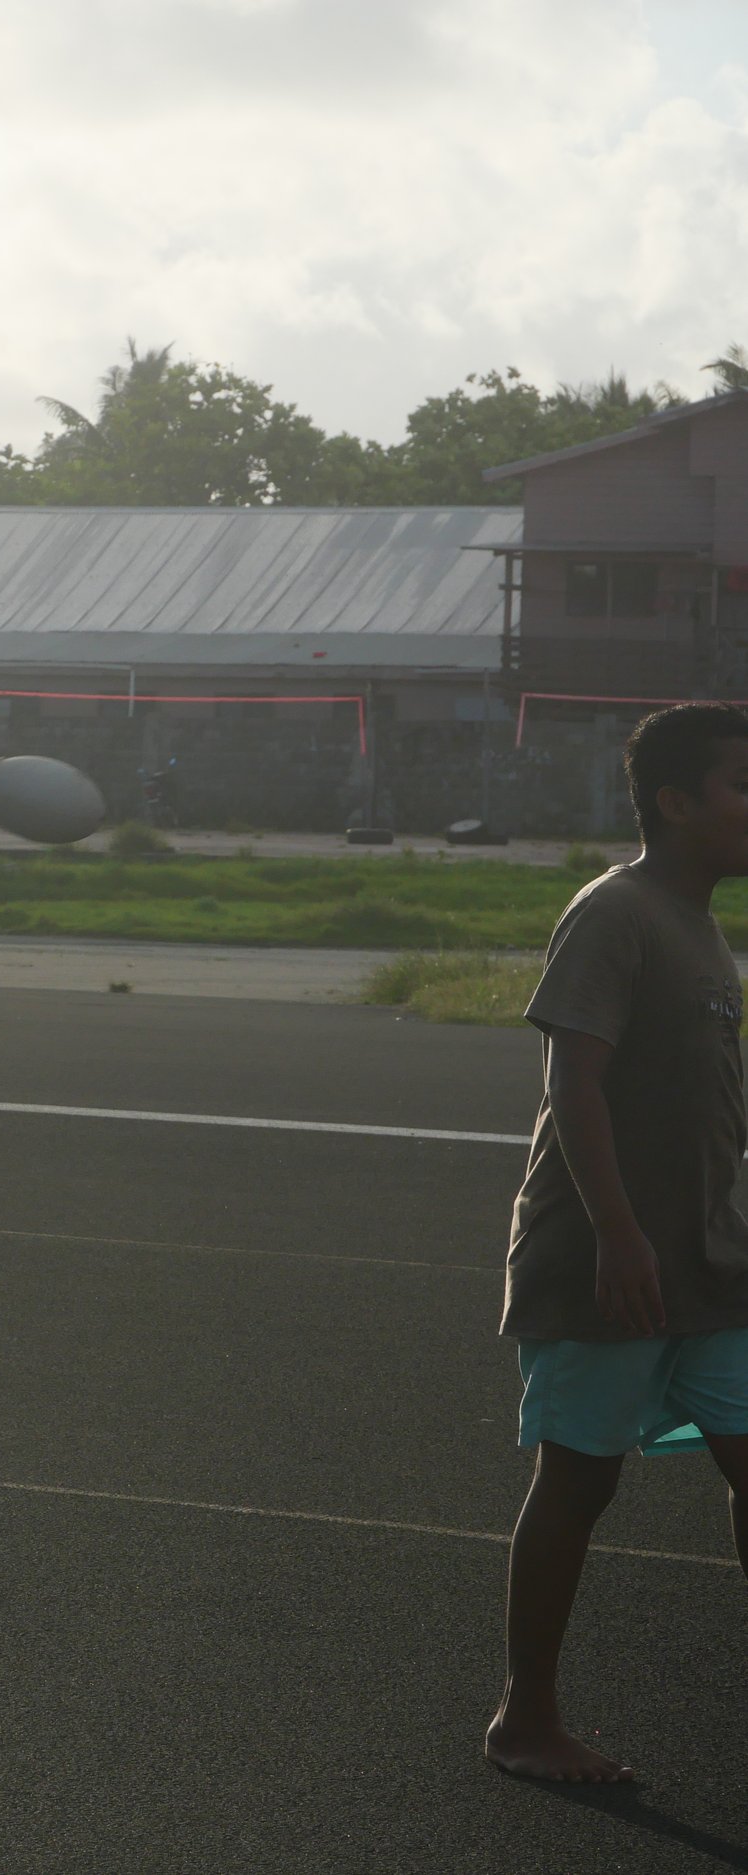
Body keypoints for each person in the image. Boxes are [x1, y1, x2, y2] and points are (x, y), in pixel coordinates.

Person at [486, 703, 748, 1783]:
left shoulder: (699, 920)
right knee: (579, 1484)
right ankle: (525, 1720)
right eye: (743, 787)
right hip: (612, 1264)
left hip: (709, 1264)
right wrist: (620, 1236)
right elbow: (573, 1082)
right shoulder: (618, 911)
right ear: (676, 803)